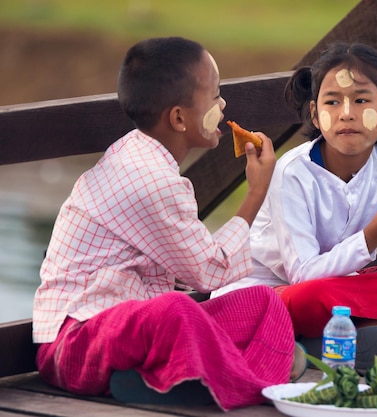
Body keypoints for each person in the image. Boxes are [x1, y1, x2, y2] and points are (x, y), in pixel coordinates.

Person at [32, 36, 305, 411]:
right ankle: (249, 376)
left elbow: (185, 263)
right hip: (77, 343)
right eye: (214, 96)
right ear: (178, 118)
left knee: (262, 302)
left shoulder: (144, 156)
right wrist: (255, 192)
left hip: (133, 331)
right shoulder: (151, 180)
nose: (222, 105)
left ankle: (170, 378)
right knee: (178, 311)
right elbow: (209, 271)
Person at [211, 42, 377, 366]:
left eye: (361, 100)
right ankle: (360, 329)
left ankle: (332, 334)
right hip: (275, 289)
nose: (346, 113)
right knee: (309, 297)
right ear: (315, 113)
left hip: (338, 286)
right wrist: (372, 235)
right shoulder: (293, 172)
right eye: (332, 101)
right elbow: (303, 276)